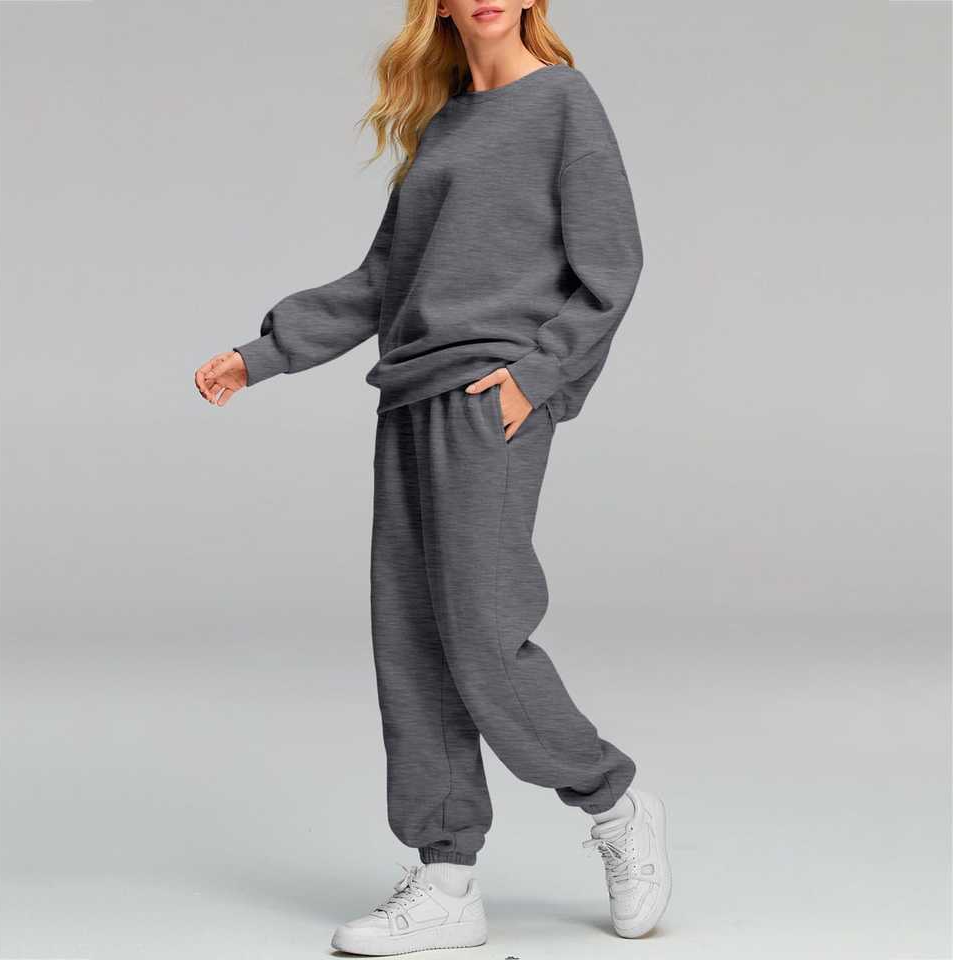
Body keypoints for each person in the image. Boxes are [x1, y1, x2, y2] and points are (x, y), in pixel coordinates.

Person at [195, 0, 670, 954]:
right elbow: (384, 282)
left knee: (482, 634)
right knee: (411, 640)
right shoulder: (445, 124)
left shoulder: (564, 102)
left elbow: (612, 266)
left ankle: (614, 802)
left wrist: (536, 378)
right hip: (409, 399)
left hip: (489, 397)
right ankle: (446, 879)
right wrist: (264, 354)